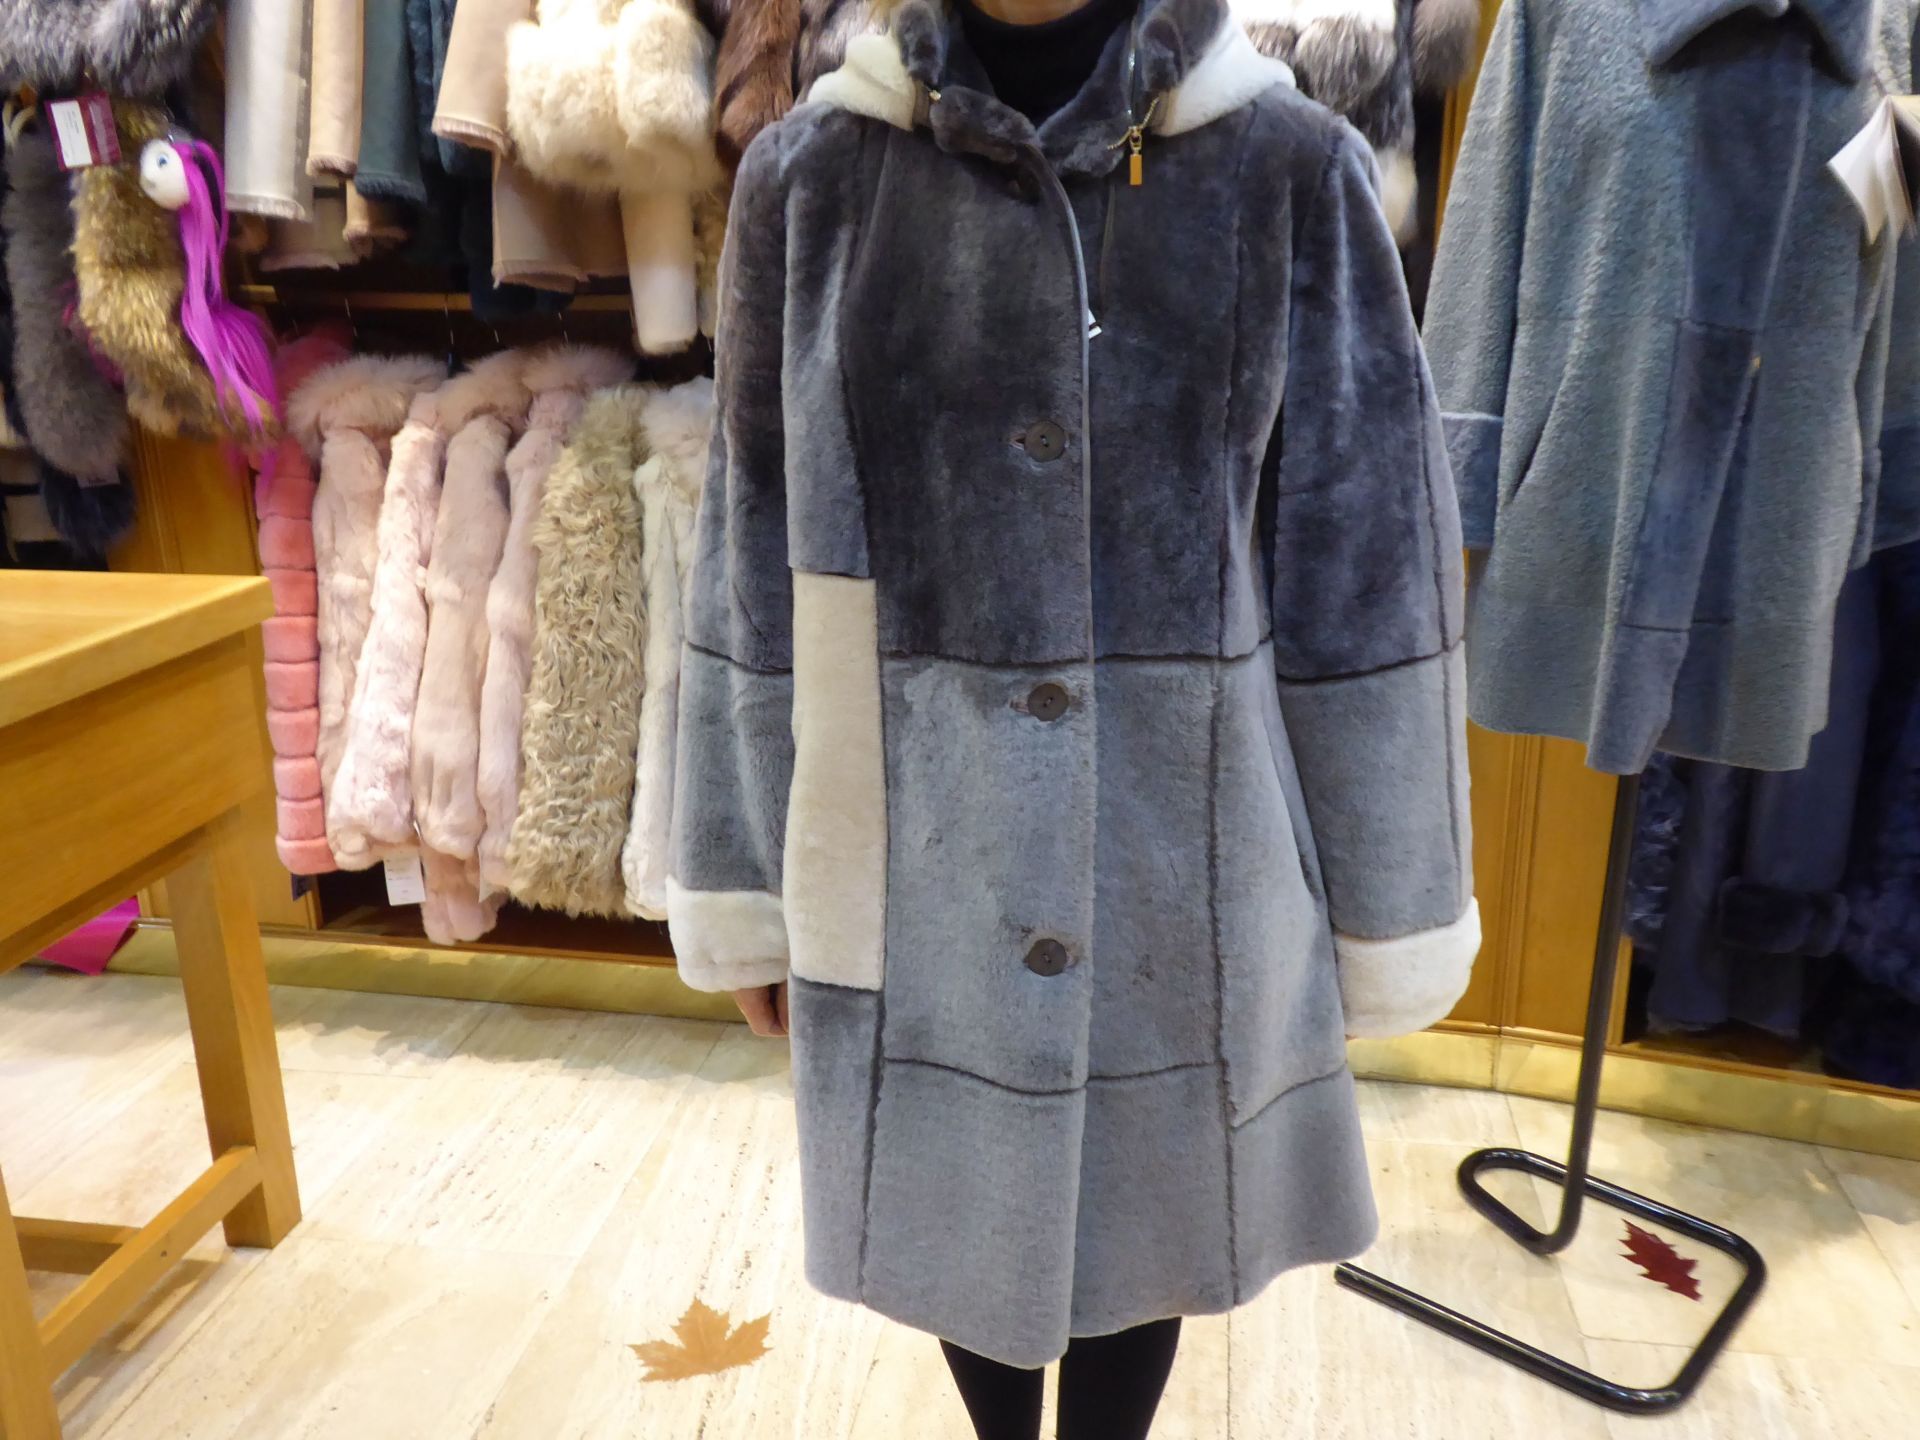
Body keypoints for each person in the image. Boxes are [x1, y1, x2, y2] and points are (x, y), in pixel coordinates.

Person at [667, 0, 1478, 1436]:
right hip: (916, 838)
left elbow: (1370, 573)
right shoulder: (814, 180)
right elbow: (749, 558)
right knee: (957, 1204)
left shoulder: (1289, 168)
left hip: (1185, 838)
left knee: (1150, 1206)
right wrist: (749, 881)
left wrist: (1381, 899)